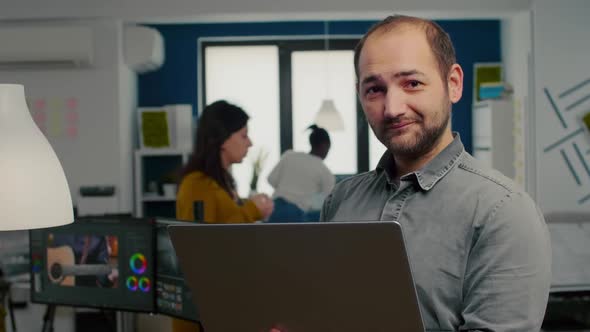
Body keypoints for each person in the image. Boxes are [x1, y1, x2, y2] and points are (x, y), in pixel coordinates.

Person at [320, 15, 551, 332]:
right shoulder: (340, 199)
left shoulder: (504, 211)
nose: (393, 108)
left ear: (453, 83)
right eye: (374, 89)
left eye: (412, 83)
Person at [173, 100, 273, 332]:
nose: (250, 143)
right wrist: (252, 210)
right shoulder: (197, 184)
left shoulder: (222, 182)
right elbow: (204, 245)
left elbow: (225, 222)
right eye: (243, 135)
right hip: (201, 313)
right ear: (223, 139)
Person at [266, 124, 335, 222]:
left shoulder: (289, 155)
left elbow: (271, 180)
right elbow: (328, 203)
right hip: (296, 216)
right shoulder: (325, 172)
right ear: (325, 146)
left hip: (275, 210)